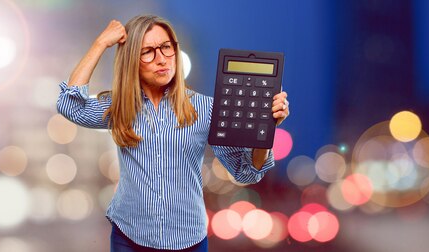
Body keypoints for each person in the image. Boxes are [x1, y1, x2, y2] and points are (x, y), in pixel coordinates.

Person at [56, 15, 290, 252]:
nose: (161, 59)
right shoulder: (120, 108)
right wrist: (101, 43)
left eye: (166, 48)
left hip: (188, 241)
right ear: (131, 60)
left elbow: (246, 172)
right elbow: (69, 105)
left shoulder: (206, 109)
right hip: (129, 237)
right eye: (147, 51)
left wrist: (267, 126)